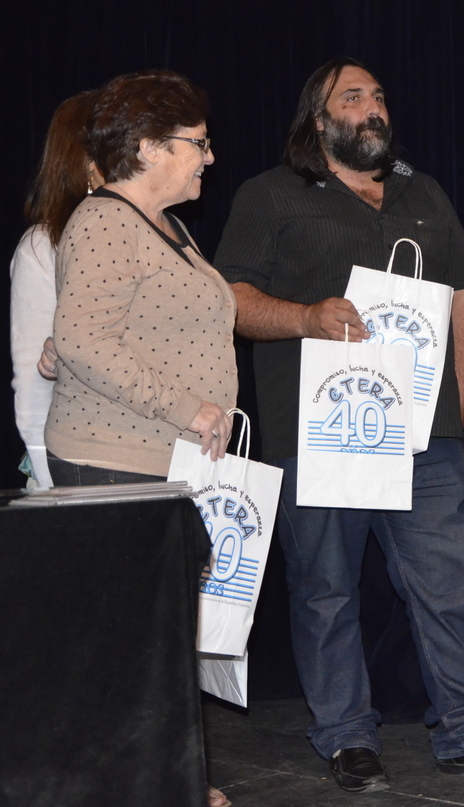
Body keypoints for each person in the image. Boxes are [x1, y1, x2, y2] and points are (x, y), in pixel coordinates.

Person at [214, 57, 464, 793]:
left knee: (450, 581)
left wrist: (454, 409)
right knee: (325, 589)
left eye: (380, 97)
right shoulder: (270, 195)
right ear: (318, 119)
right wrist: (305, 317)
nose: (373, 108)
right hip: (318, 434)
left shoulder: (423, 193)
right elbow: (230, 299)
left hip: (424, 440)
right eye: (354, 97)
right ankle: (346, 736)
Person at [43, 70, 235, 807]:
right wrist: (189, 407)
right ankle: (136, 784)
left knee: (159, 638)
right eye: (198, 143)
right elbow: (84, 339)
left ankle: (167, 776)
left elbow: (101, 333)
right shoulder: (104, 221)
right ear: (150, 147)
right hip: (112, 461)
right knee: (124, 642)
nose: (209, 157)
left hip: (164, 463)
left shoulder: (166, 226)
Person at [10, 90, 103, 489]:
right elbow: (31, 384)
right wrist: (54, 490)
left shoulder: (152, 236)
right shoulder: (43, 246)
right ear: (88, 162)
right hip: (70, 474)